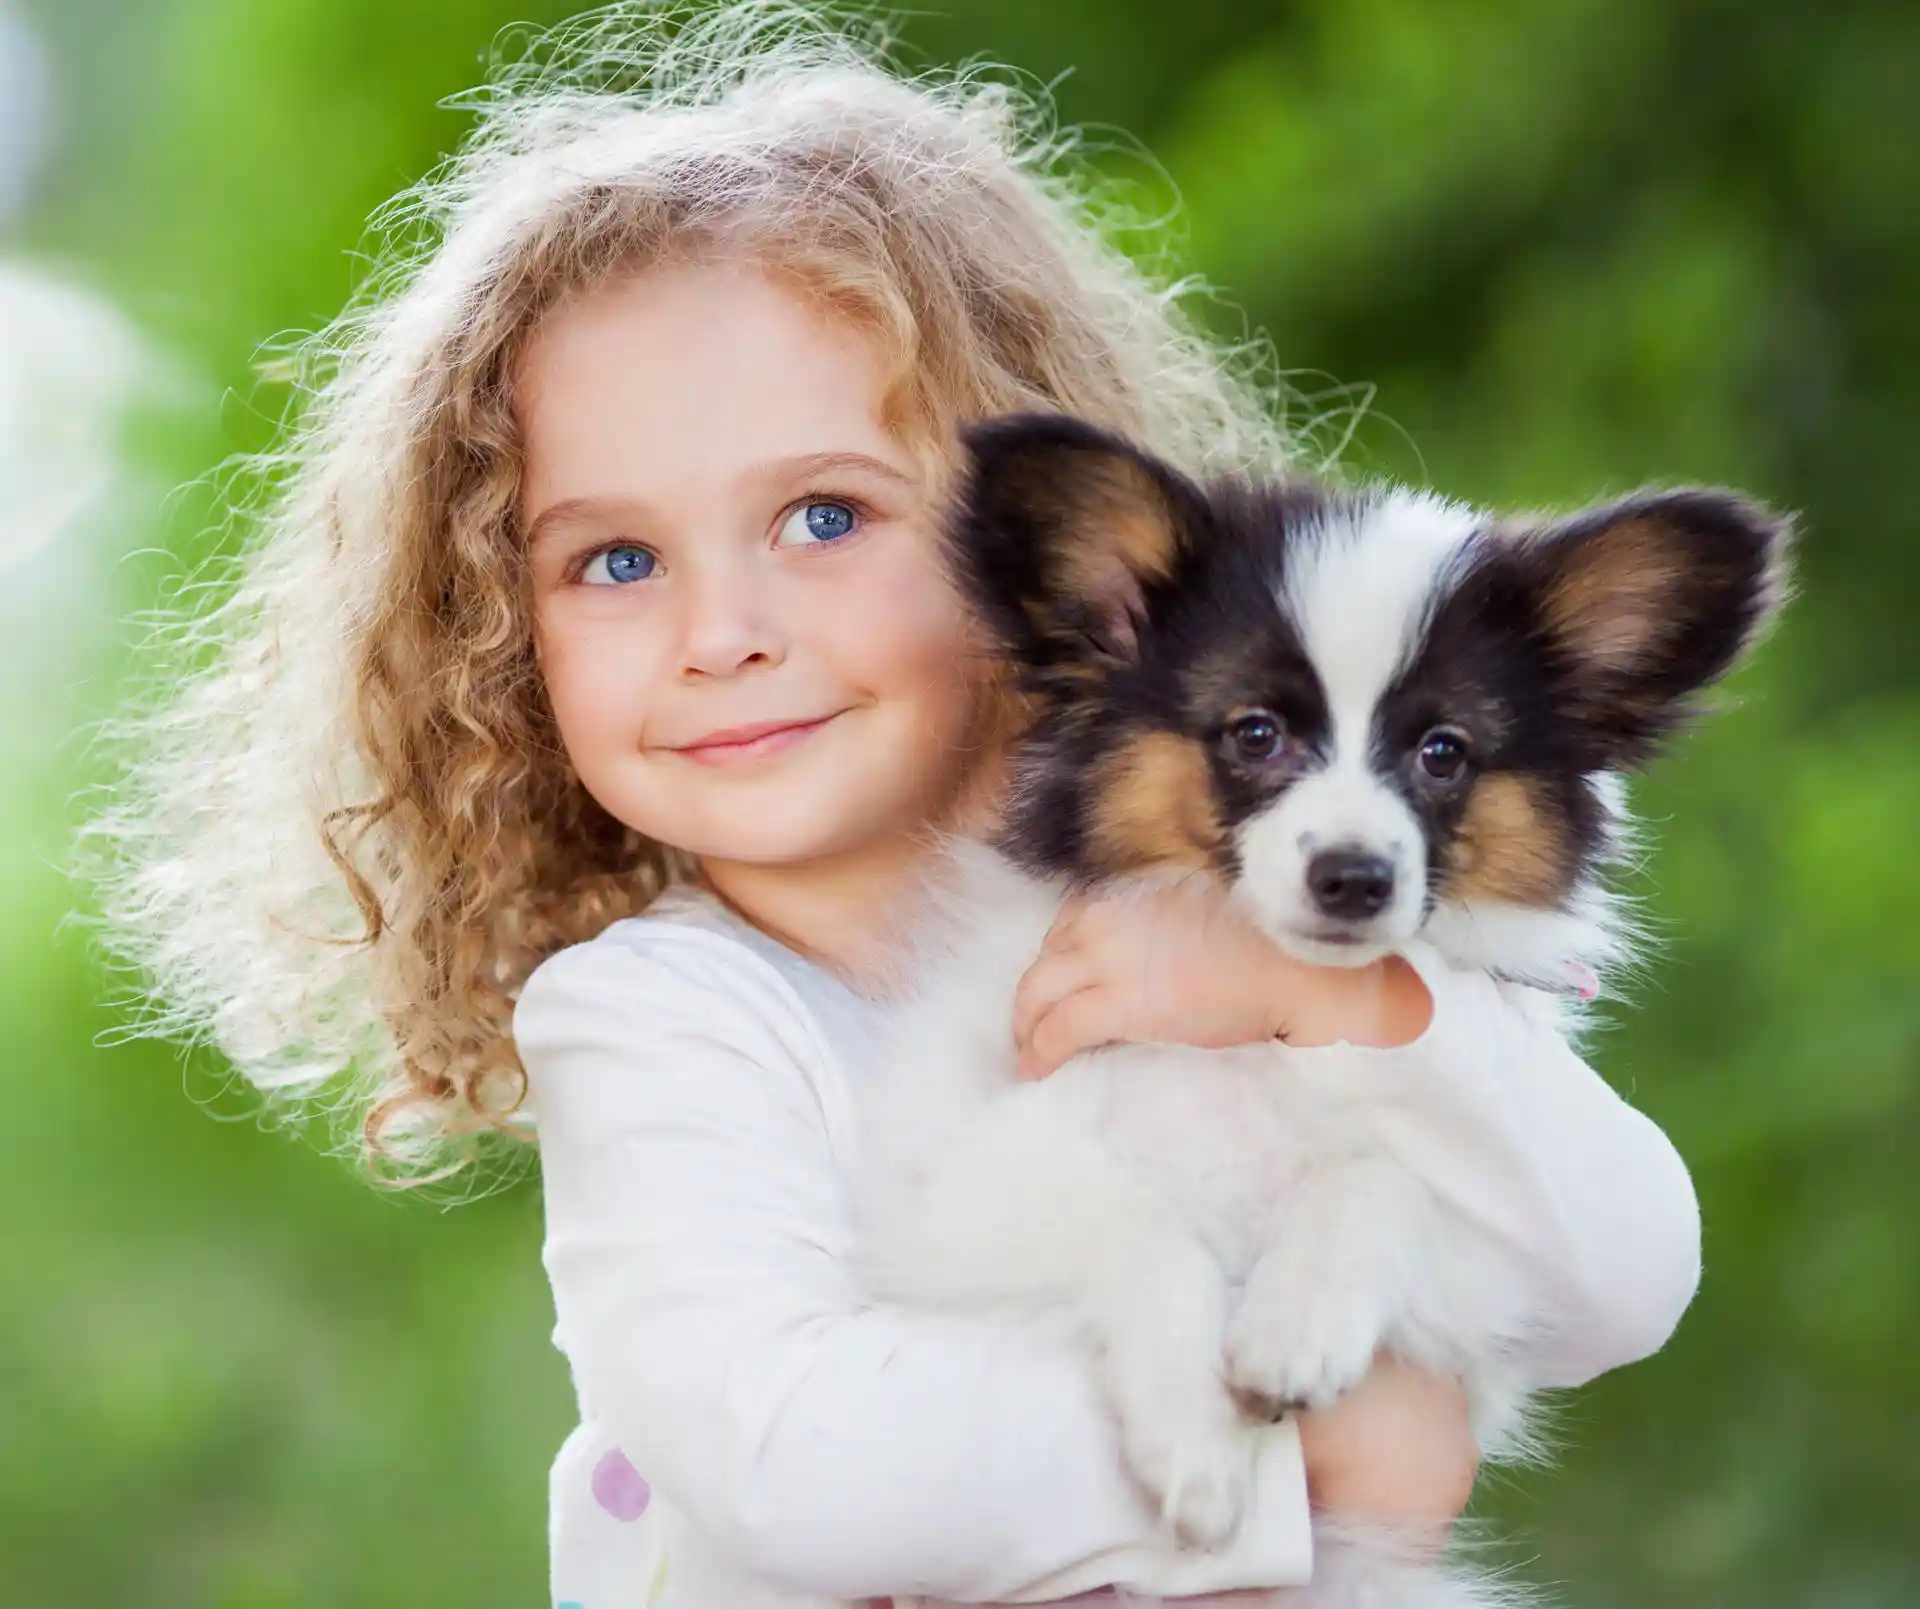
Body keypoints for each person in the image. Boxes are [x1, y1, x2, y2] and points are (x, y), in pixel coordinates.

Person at [84, 6, 1701, 1607]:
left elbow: (1621, 1276)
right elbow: (808, 1473)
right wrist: (1320, 1460)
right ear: (501, 640)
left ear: (1057, 579)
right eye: (618, 560)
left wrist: (1315, 998)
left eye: (825, 515)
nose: (724, 633)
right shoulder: (661, 1019)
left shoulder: (1220, 930)